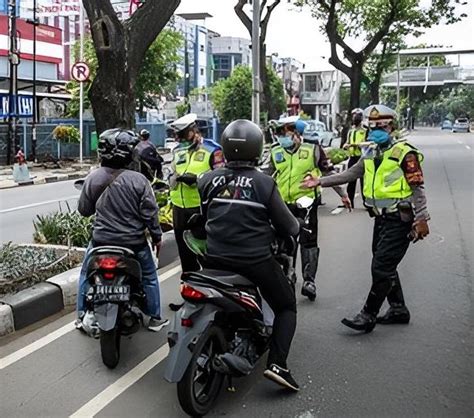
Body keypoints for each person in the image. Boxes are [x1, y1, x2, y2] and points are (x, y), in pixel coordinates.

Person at [301, 104, 430, 332]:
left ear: (392, 127)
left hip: (400, 219)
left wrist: (422, 218)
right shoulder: (371, 151)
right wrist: (319, 182)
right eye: (373, 127)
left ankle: (368, 315)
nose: (376, 130)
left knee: (381, 267)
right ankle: (398, 308)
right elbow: (350, 174)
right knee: (385, 264)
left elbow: (417, 188)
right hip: (380, 219)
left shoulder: (404, 153)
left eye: (382, 126)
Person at [198, 119, 301, 391]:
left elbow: (206, 215)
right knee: (287, 306)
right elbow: (289, 226)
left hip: (213, 259)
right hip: (254, 262)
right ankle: (278, 364)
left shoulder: (207, 180)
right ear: (258, 148)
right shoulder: (264, 183)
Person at [75, 128, 168, 333]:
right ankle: (154, 318)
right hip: (133, 243)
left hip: (100, 241)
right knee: (150, 277)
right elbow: (150, 215)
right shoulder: (139, 181)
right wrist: (157, 237)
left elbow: (84, 211)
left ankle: (81, 315)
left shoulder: (93, 178)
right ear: (129, 154)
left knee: (85, 274)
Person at [269, 116, 352, 301]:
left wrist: (343, 194)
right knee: (285, 242)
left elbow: (328, 173)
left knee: (308, 241)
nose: (282, 138)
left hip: (306, 203)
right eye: (279, 134)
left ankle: (309, 281)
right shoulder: (275, 152)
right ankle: (288, 274)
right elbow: (267, 175)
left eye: (286, 134)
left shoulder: (313, 149)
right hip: (282, 204)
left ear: (297, 134)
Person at [168, 113, 224, 275]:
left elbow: (221, 177)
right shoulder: (178, 151)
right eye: (177, 136)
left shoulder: (212, 150)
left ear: (193, 131)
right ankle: (188, 291)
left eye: (183, 135)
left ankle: (210, 288)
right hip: (179, 208)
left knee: (205, 252)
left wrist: (197, 179)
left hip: (201, 208)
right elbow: (171, 173)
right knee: (185, 254)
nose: (179, 139)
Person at [343, 108, 368, 208]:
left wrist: (357, 145)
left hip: (362, 158)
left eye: (357, 116)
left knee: (364, 182)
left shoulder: (365, 131)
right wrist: (346, 145)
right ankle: (350, 201)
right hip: (352, 158)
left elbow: (368, 143)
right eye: (354, 116)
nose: (355, 118)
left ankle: (366, 202)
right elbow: (346, 142)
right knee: (350, 180)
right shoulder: (351, 131)